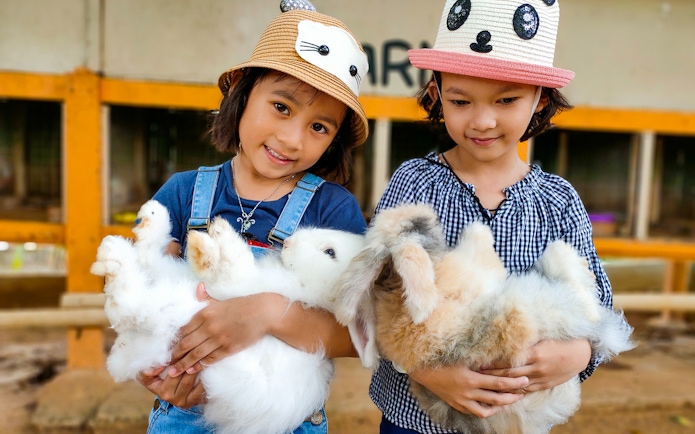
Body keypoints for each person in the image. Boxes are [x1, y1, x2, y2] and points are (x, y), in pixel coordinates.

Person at [370, 0, 619, 433]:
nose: (483, 121)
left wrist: (578, 354)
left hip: (518, 419)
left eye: (506, 100)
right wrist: (429, 371)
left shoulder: (558, 201)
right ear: (436, 94)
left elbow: (597, 305)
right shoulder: (413, 183)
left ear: (540, 101)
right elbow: (376, 295)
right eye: (461, 100)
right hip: (416, 418)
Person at [136, 1, 370, 433]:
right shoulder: (182, 194)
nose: (291, 138)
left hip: (286, 418)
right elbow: (137, 296)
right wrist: (150, 365)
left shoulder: (333, 211)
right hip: (185, 413)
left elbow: (358, 333)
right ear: (242, 93)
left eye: (320, 127)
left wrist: (269, 312)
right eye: (282, 107)